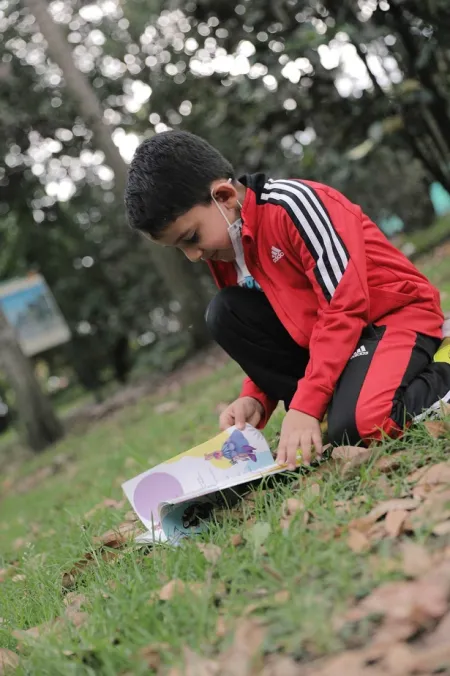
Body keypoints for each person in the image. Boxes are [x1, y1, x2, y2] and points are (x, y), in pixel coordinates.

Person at [125, 130, 450, 469]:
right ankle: (336, 405)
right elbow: (273, 324)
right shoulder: (223, 250)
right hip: (337, 345)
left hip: (391, 319)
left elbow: (344, 306)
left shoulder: (294, 205)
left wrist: (306, 405)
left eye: (191, 238)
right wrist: (256, 397)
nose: (193, 255)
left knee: (363, 425)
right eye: (180, 248)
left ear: (223, 196)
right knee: (224, 312)